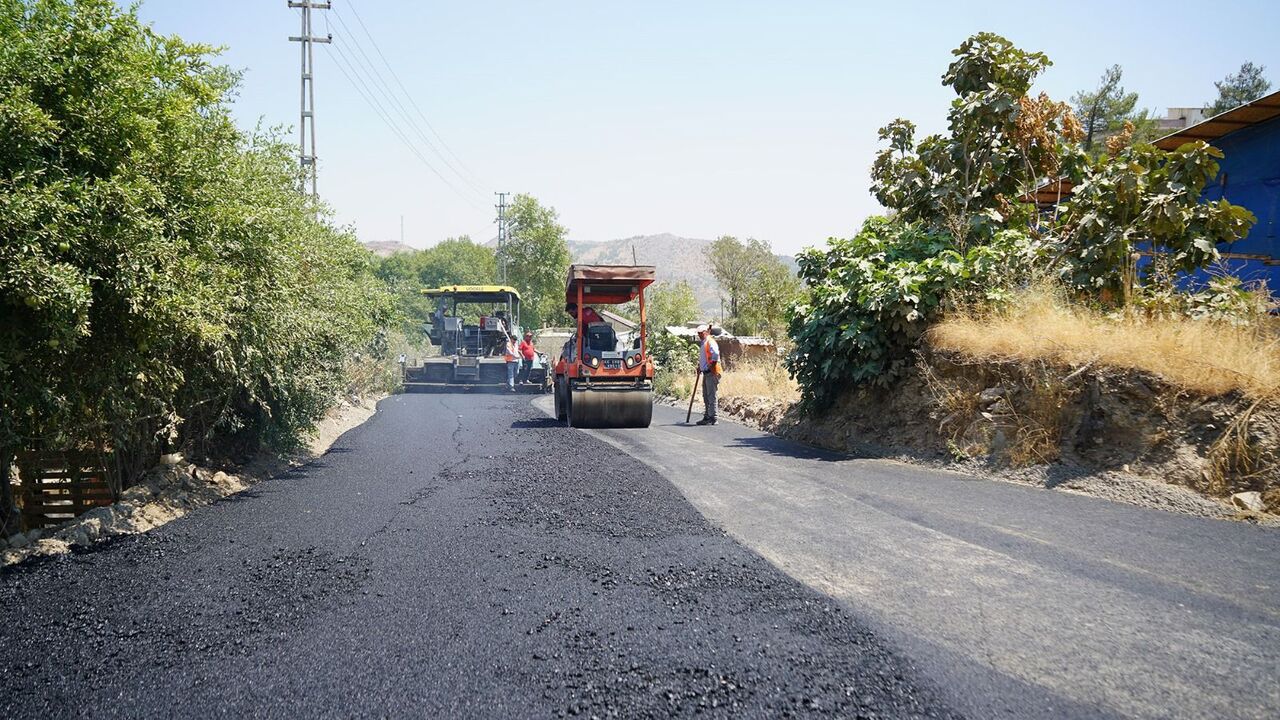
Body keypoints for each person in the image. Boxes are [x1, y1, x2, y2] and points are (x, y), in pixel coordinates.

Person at [695, 324, 721, 426]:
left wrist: (711, 366)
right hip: (706, 373)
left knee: (711, 395)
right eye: (698, 333)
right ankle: (707, 416)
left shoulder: (710, 342)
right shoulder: (704, 343)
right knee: (706, 395)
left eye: (701, 333)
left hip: (712, 372)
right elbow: (704, 358)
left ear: (706, 332)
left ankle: (713, 417)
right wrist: (700, 367)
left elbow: (715, 354)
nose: (699, 335)